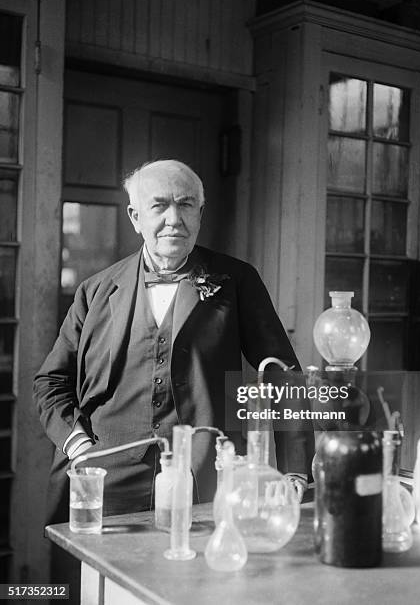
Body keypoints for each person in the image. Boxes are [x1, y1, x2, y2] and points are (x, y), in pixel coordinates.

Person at [34, 159, 311, 526]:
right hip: (105, 479)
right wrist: (80, 447)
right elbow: (50, 383)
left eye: (185, 205)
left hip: (205, 477)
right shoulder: (95, 291)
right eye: (159, 205)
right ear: (135, 217)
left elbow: (284, 377)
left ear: (200, 212)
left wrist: (295, 472)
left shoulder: (237, 281)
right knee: (94, 582)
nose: (174, 219)